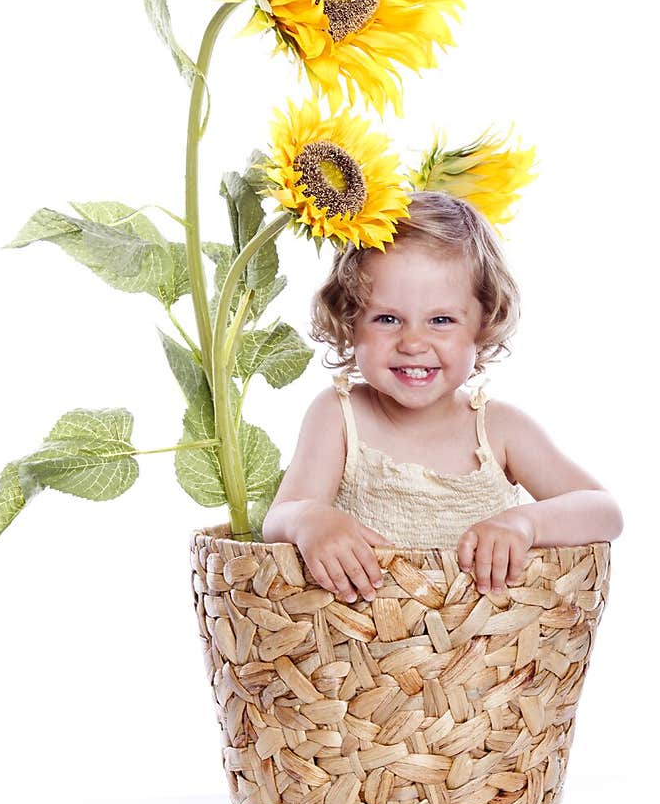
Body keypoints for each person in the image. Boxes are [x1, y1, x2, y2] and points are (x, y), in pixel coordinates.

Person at [262, 192, 623, 600]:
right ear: (350, 319)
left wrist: (524, 524)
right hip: (359, 649)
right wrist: (310, 519)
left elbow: (603, 510)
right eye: (387, 318)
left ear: (483, 324)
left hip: (483, 651)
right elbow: (279, 517)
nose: (413, 342)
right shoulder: (338, 415)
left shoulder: (499, 429)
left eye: (441, 320)